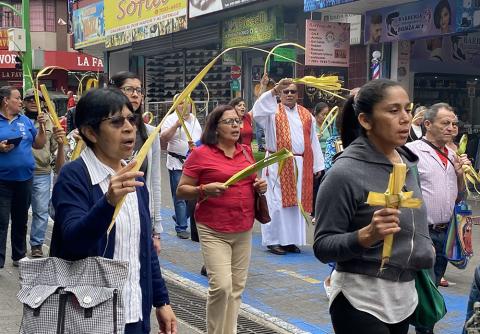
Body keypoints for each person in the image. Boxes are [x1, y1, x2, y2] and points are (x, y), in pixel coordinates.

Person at [49, 88, 177, 334]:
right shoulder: (74, 176)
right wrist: (108, 202)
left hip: (134, 309)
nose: (129, 128)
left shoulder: (133, 174)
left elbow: (145, 249)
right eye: (117, 122)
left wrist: (161, 301)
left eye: (132, 119)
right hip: (86, 314)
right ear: (90, 132)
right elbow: (73, 242)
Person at [314, 79, 435, 334]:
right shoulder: (343, 173)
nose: (405, 118)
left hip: (404, 295)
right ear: (365, 121)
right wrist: (366, 235)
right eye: (393, 111)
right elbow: (323, 246)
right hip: (360, 297)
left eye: (407, 109)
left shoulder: (408, 164)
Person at [176, 105, 267, 334]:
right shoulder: (201, 153)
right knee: (221, 287)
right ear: (216, 127)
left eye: (238, 121)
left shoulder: (246, 151)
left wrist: (260, 186)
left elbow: (252, 182)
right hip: (213, 228)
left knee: (237, 288)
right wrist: (204, 189)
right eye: (229, 122)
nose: (236, 126)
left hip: (243, 226)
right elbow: (181, 190)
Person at [406, 103, 470, 333]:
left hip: (446, 232)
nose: (451, 128)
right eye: (445, 123)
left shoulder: (453, 155)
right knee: (422, 287)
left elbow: (459, 196)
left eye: (454, 123)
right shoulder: (411, 151)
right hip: (422, 232)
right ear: (427, 124)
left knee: (432, 286)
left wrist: (461, 175)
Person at [252, 78, 324, 255]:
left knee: (295, 204)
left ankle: (290, 240)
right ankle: (274, 241)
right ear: (280, 94)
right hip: (277, 162)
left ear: (298, 94)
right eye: (286, 92)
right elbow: (257, 110)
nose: (289, 94)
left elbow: (314, 140)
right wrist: (274, 90)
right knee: (276, 203)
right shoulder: (271, 111)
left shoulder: (307, 114)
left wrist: (318, 165)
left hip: (300, 164)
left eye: (293, 91)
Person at [110, 71, 163, 253]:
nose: (135, 94)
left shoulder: (150, 134)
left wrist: (156, 230)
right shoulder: (100, 131)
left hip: (140, 214)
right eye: (129, 89)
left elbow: (154, 182)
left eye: (139, 90)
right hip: (110, 213)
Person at [0, 86, 47, 268]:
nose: (21, 102)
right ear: (6, 100)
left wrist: (42, 127)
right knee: (2, 221)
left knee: (20, 219)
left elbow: (38, 144)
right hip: (2, 180)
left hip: (25, 178)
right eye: (17, 98)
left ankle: (19, 256)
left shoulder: (25, 120)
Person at [23, 88, 66, 257]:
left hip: (42, 172)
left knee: (41, 211)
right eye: (29, 99)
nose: (34, 102)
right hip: (21, 173)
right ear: (24, 103)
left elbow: (56, 147)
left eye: (38, 99)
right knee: (19, 212)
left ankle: (37, 245)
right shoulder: (19, 121)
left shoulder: (50, 121)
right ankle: (19, 245)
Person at [160, 95, 202, 239]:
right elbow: (163, 138)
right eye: (181, 103)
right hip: (177, 163)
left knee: (193, 196)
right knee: (180, 195)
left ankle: (180, 217)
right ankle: (181, 227)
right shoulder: (171, 119)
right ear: (176, 105)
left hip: (194, 163)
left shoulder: (194, 119)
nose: (184, 106)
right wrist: (176, 125)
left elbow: (200, 139)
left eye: (187, 103)